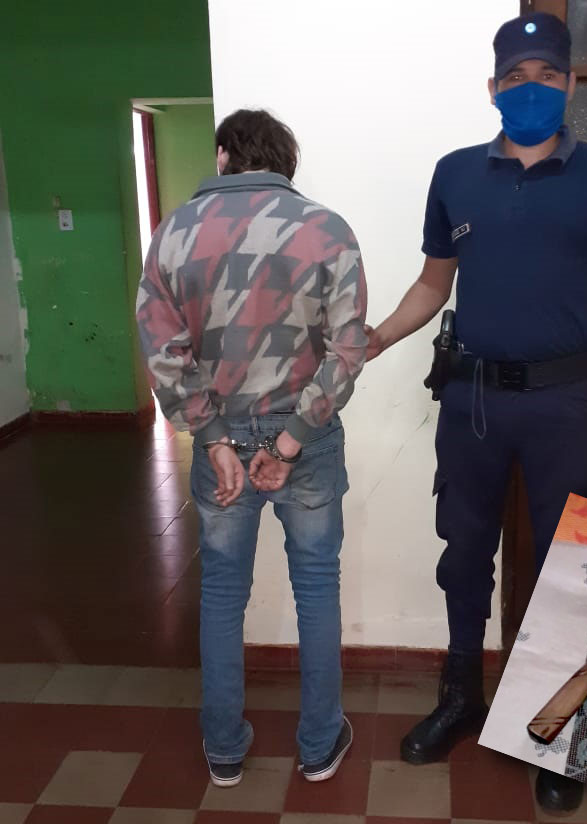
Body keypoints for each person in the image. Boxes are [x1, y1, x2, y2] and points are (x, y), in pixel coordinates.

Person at [366, 12, 587, 815]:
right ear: (492, 88)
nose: (532, 89)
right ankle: (462, 697)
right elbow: (434, 282)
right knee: (464, 554)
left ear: (572, 83)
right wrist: (379, 336)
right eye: (516, 77)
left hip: (568, 404)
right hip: (473, 402)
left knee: (574, 570)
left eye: (547, 75)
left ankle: (558, 731)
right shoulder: (456, 173)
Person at [136, 109, 368, 787]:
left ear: (222, 156)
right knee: (317, 587)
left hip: (223, 442)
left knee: (221, 592)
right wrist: (293, 440)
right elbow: (348, 351)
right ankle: (319, 744)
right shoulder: (327, 230)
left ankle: (225, 749)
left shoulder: (174, 233)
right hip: (307, 442)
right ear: (285, 163)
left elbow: (164, 353)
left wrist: (211, 438)